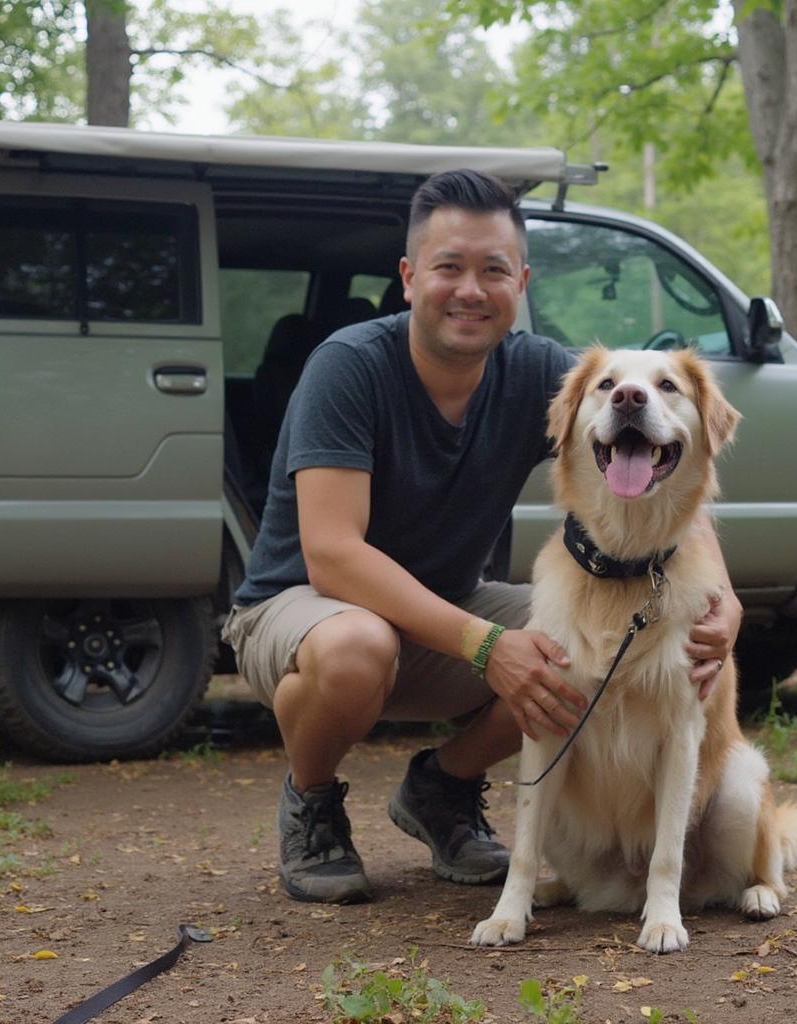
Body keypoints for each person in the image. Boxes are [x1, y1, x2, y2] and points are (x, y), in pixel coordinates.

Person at [221, 169, 742, 905]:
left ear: (519, 282)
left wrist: (723, 596)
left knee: (577, 644)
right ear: (409, 278)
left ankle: (442, 788)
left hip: (446, 603)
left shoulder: (539, 373)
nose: (470, 289)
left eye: (493, 270)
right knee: (357, 646)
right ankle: (312, 806)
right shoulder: (348, 367)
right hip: (302, 607)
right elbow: (332, 554)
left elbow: (662, 452)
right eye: (448, 268)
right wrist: (486, 645)